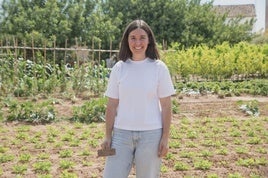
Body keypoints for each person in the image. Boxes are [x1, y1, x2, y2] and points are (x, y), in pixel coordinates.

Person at [101, 19, 175, 178]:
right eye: (133, 38)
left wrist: (165, 138)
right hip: (121, 135)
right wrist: (108, 135)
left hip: (151, 135)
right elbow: (112, 105)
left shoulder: (159, 68)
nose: (137, 42)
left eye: (142, 37)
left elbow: (167, 106)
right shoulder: (119, 68)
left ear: (149, 40)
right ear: (127, 41)